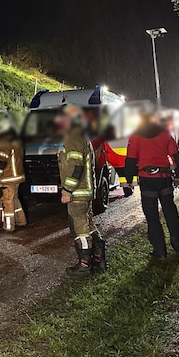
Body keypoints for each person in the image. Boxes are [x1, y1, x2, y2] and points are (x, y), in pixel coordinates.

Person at [125, 113, 179, 259]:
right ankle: (178, 245)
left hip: (147, 180)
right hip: (164, 179)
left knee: (152, 216)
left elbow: (130, 160)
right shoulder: (165, 135)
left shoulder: (135, 137)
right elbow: (176, 156)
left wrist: (129, 179)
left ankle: (160, 251)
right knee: (170, 211)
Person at [56, 104, 106, 276]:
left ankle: (85, 265)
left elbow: (76, 167)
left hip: (77, 192)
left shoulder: (73, 137)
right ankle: (99, 259)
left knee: (79, 228)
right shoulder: (81, 135)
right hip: (85, 192)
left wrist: (67, 190)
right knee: (89, 224)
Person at [0, 120, 27, 232]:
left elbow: (2, 162)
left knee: (7, 202)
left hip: (8, 178)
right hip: (17, 177)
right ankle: (21, 221)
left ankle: (9, 226)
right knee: (14, 199)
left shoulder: (4, 143)